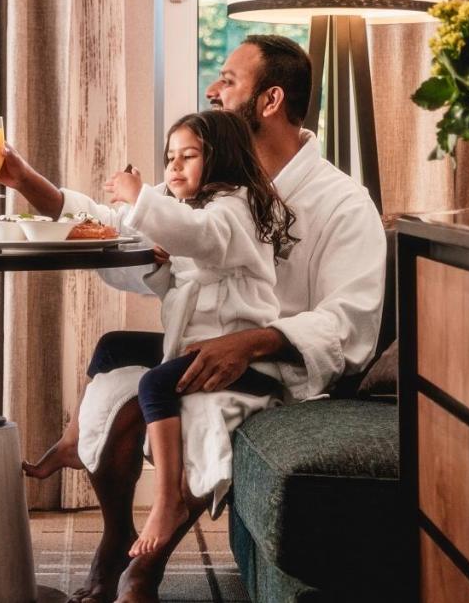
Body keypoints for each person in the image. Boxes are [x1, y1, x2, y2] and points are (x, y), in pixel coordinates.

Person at [0, 34, 387, 603]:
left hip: (275, 366)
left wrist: (254, 342)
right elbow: (117, 222)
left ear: (271, 100)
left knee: (161, 400)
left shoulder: (343, 203)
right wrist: (27, 182)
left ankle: (142, 565)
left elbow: (351, 323)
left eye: (228, 80)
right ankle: (116, 533)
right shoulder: (212, 182)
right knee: (114, 366)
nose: (212, 89)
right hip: (205, 343)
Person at [48, 109, 295, 558]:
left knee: (154, 384)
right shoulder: (199, 212)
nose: (174, 166)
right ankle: (72, 440)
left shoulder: (234, 208)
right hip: (193, 345)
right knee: (112, 346)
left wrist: (139, 197)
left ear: (221, 159)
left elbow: (199, 235)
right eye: (170, 158)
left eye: (189, 156)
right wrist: (163, 263)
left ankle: (167, 499)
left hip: (245, 362)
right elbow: (187, 261)